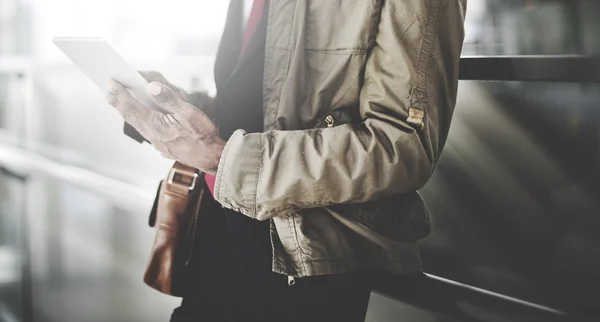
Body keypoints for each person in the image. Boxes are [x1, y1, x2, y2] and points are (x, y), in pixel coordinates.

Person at [106, 0, 467, 321]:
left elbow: (400, 148)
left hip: (304, 265)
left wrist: (218, 156)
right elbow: (256, 107)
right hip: (215, 244)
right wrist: (178, 112)